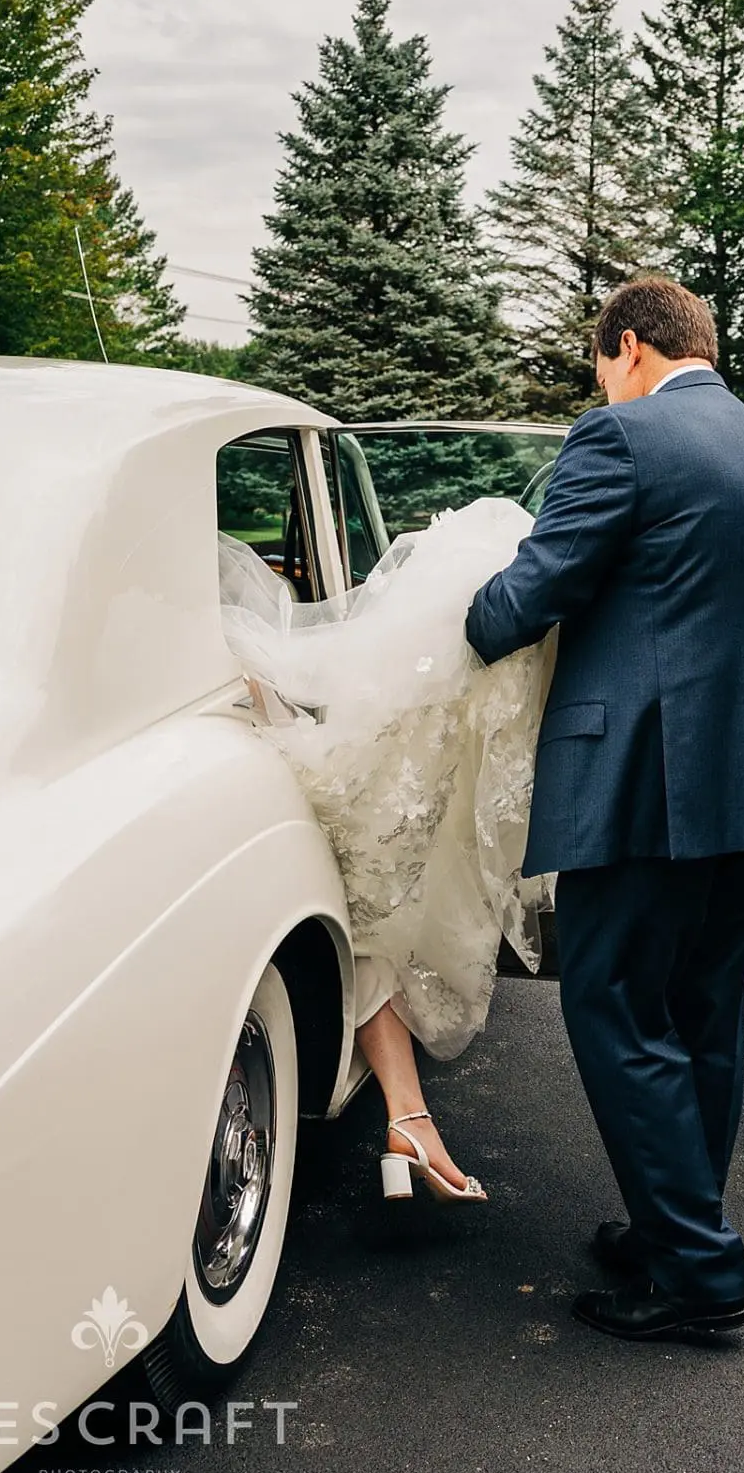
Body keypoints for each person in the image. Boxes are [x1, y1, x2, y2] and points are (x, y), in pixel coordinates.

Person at [465, 277, 744, 1341]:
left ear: (626, 348)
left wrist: (461, 619)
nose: (600, 385)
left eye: (599, 365)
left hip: (647, 777)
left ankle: (699, 1277)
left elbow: (542, 586)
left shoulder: (623, 439)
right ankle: (677, 1223)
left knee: (613, 1002)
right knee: (701, 1008)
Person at [218, 498, 554, 1206]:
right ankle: (408, 1124)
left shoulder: (242, 638)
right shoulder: (437, 679)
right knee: (369, 910)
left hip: (323, 759)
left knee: (367, 912)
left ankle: (410, 1121)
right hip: (327, 769)